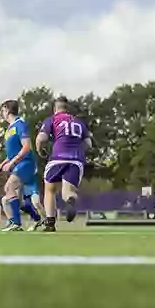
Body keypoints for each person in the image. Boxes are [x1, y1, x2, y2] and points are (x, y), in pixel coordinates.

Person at [36, 96, 92, 232]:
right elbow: (88, 144)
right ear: (68, 109)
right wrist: (78, 151)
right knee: (68, 191)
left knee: (50, 190)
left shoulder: (52, 119)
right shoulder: (79, 122)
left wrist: (40, 150)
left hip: (57, 158)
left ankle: (50, 222)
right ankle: (71, 201)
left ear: (55, 109)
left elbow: (41, 138)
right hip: (76, 160)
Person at [0, 100, 44, 232]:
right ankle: (25, 221)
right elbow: (12, 153)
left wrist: (12, 163)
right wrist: (3, 164)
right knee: (11, 197)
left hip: (26, 163)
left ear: (8, 110)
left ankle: (16, 223)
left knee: (9, 187)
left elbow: (26, 147)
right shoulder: (9, 129)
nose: (2, 113)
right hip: (18, 163)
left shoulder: (20, 125)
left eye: (3, 110)